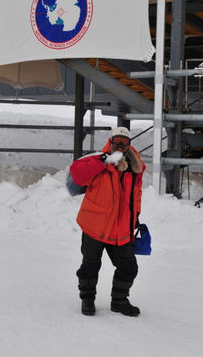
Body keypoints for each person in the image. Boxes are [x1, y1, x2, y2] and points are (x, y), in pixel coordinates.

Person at [69, 127, 145, 317]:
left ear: (129, 145)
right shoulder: (99, 159)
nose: (120, 146)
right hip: (95, 225)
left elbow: (136, 194)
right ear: (110, 141)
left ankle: (119, 301)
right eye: (117, 141)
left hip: (121, 227)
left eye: (124, 142)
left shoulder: (134, 168)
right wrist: (103, 161)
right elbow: (77, 174)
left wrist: (135, 217)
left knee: (129, 266)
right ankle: (87, 300)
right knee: (90, 265)